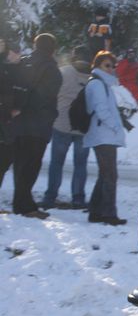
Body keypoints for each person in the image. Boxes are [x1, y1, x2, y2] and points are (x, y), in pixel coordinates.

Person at [11, 34, 63, 219]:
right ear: (53, 49)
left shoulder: (23, 63)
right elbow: (47, 98)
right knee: (31, 166)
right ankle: (24, 206)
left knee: (19, 165)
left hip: (16, 123)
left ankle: (21, 203)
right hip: (37, 125)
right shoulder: (51, 69)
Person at [41, 46, 93, 210]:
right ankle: (78, 198)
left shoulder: (63, 72)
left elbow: (50, 94)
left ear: (73, 55)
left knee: (56, 163)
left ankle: (50, 197)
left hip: (61, 124)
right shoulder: (94, 76)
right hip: (83, 127)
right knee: (81, 164)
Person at [83, 51, 127, 225]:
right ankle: (108, 214)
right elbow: (101, 111)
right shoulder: (97, 84)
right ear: (97, 65)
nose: (110, 69)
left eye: (112, 66)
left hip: (104, 134)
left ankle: (95, 212)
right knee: (110, 176)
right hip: (103, 135)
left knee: (105, 175)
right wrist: (116, 127)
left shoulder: (103, 84)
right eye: (106, 65)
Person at [0, 39, 23, 191]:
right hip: (5, 118)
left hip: (9, 122)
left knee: (5, 160)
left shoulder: (18, 69)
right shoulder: (5, 68)